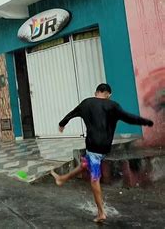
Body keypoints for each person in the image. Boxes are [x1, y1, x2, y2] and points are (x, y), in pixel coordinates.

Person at [51, 83, 154, 223]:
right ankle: (62, 179)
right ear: (108, 94)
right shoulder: (113, 106)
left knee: (94, 178)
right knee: (84, 164)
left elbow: (71, 114)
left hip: (93, 147)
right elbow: (129, 117)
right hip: (105, 148)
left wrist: (62, 124)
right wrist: (146, 122)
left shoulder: (86, 103)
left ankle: (101, 213)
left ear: (96, 92)